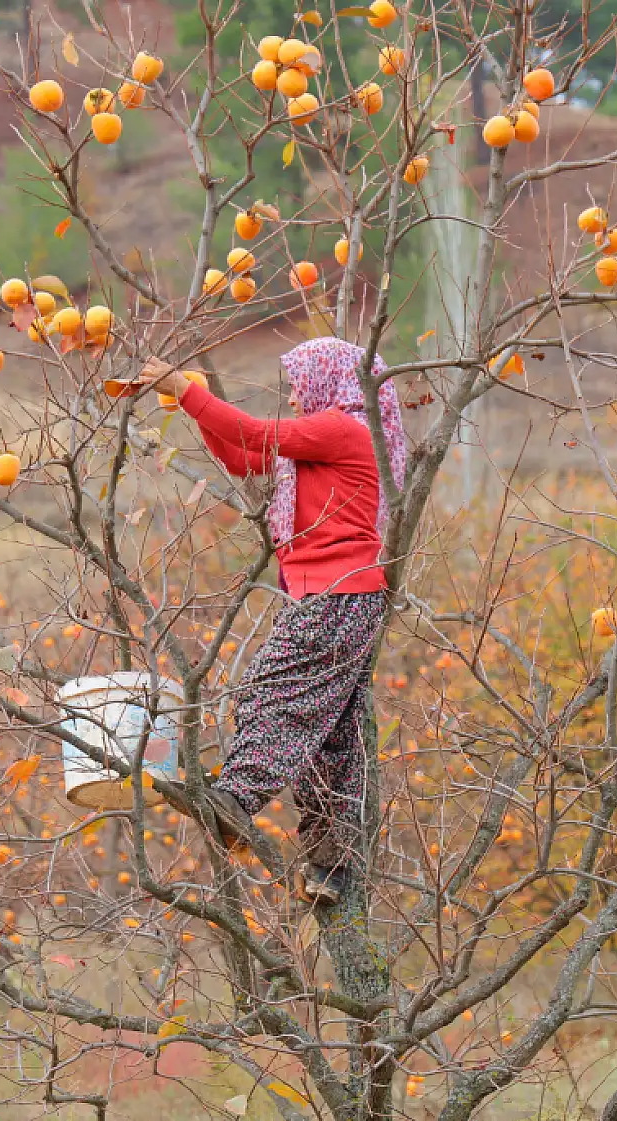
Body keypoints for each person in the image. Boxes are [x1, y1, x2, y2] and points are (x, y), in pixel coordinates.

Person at [137, 338, 406, 905]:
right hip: (336, 594)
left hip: (338, 592)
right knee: (333, 741)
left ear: (327, 379)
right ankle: (331, 867)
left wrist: (186, 392)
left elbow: (257, 434)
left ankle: (237, 795)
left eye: (295, 382)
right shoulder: (318, 441)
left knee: (266, 689)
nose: (290, 395)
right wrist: (196, 403)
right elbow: (243, 457)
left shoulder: (343, 429)